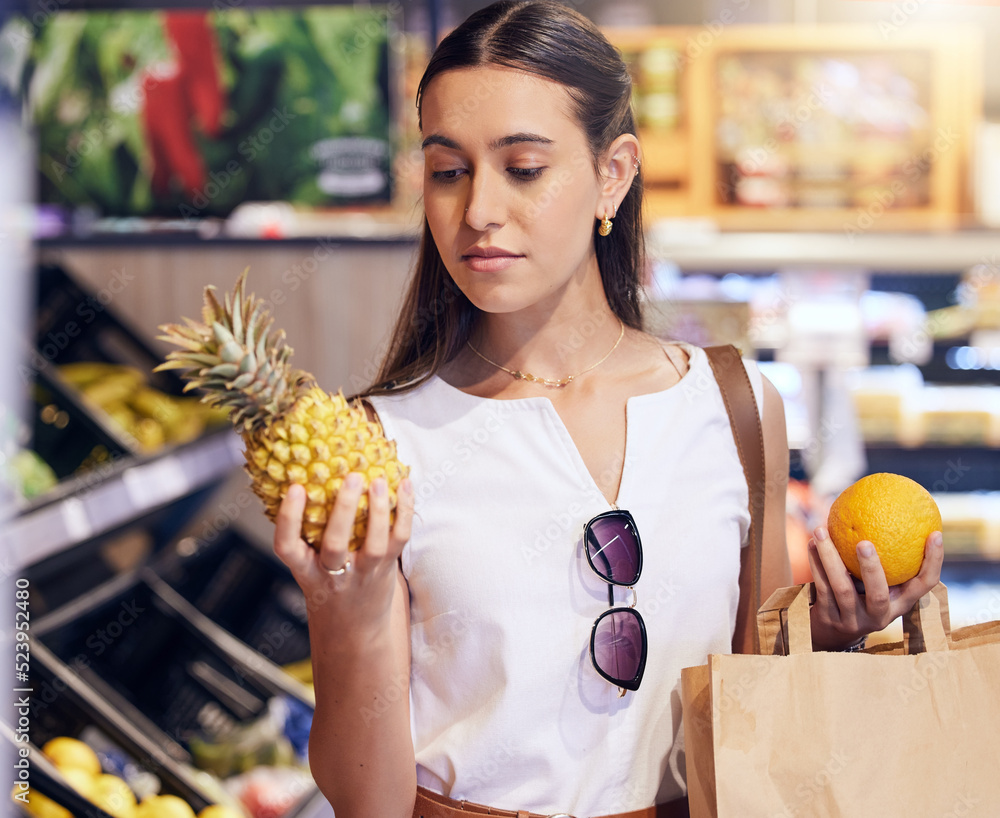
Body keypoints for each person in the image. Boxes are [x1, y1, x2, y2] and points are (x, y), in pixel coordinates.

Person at [272, 2, 945, 816]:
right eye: (449, 170)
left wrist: (836, 630)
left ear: (613, 174)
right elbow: (367, 806)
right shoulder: (383, 444)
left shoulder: (735, 406)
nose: (478, 210)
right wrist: (341, 617)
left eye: (523, 167)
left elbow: (757, 694)